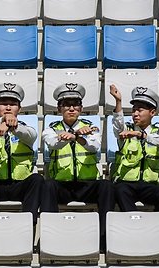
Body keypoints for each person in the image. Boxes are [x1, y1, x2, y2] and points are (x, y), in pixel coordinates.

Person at [41, 83, 115, 251]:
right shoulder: (50, 129)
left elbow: (94, 146)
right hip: (62, 185)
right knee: (47, 185)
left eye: (75, 105)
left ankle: (104, 238)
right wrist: (74, 135)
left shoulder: (91, 127)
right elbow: (53, 144)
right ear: (59, 108)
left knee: (106, 186)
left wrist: (79, 138)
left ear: (81, 108)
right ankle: (50, 238)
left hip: (86, 185)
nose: (71, 108)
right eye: (67, 105)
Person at [0, 83, 44, 225]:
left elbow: (31, 136)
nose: (8, 107)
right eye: (3, 104)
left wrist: (13, 126)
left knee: (37, 179)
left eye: (13, 104)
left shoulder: (26, 129)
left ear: (20, 108)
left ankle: (28, 226)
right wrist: (2, 121)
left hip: (20, 185)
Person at [109, 85, 159, 218]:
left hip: (149, 185)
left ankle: (156, 227)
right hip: (126, 183)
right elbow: (117, 124)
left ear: (152, 112)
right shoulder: (126, 129)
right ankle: (134, 224)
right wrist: (118, 102)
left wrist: (142, 135)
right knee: (119, 191)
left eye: (140, 110)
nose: (135, 114)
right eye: (133, 110)